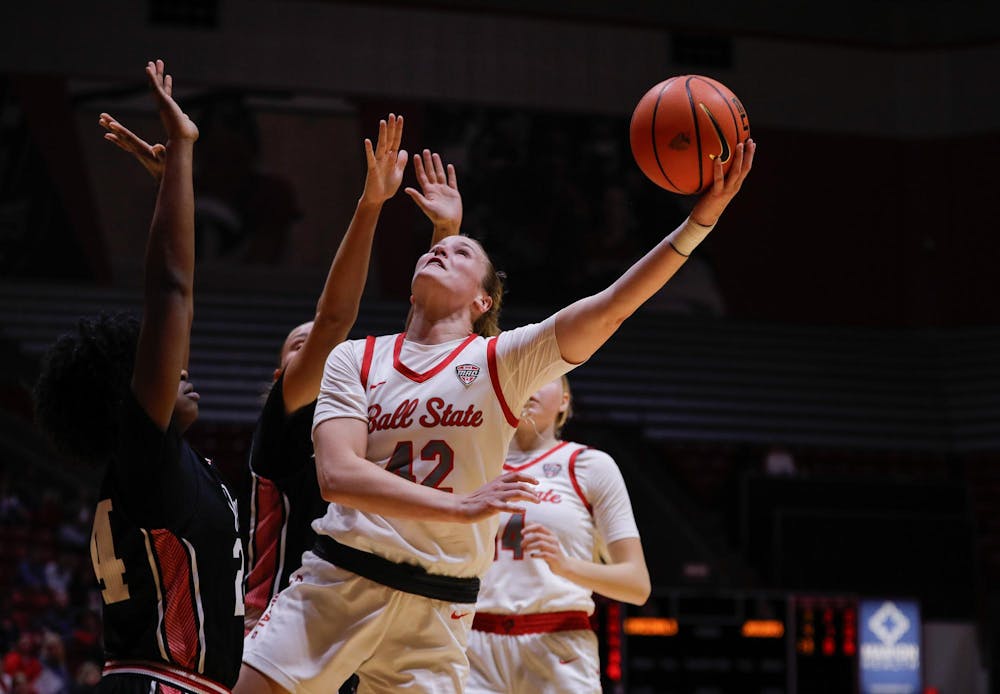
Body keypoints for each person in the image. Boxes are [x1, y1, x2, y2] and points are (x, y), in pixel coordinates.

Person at [236, 133, 756, 693]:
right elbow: (338, 476)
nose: (441, 250)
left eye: (461, 253)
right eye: (436, 248)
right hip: (340, 579)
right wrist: (461, 508)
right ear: (410, 288)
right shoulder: (355, 357)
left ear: (483, 302)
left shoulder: (500, 362)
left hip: (441, 609)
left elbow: (612, 307)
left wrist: (699, 224)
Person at [34, 60, 244, 693]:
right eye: (156, 365)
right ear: (127, 395)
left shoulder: (146, 470)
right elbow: (170, 292)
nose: (180, 365)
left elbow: (178, 305)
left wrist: (168, 193)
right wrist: (181, 154)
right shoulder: (142, 459)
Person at [465, 375, 648, 693]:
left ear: (565, 401)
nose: (529, 385)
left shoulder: (591, 466)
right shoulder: (471, 463)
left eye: (544, 378)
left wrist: (566, 566)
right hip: (471, 639)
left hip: (557, 638)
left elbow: (637, 586)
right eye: (522, 379)